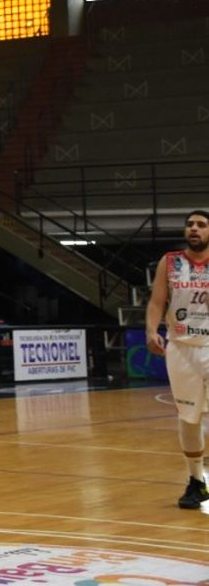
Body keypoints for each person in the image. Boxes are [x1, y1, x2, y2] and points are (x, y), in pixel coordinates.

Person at [145, 209, 209, 510]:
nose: (194, 229)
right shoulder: (169, 262)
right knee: (188, 417)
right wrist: (150, 330)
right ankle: (196, 482)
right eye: (190, 224)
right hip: (180, 347)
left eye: (201, 225)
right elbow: (157, 301)